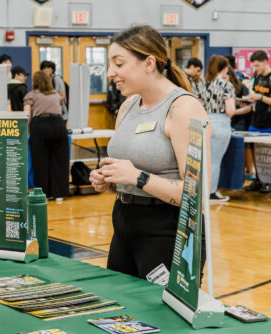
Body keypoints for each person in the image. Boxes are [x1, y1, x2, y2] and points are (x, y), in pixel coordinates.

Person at [89, 25, 208, 281]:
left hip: (167, 229)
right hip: (124, 222)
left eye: (118, 64)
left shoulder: (183, 108)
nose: (111, 72)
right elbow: (128, 171)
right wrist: (107, 178)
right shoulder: (129, 104)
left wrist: (138, 177)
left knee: (162, 318)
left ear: (149, 63)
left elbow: (195, 193)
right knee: (121, 313)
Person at [200, 55, 250, 203]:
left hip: (205, 121)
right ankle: (211, 193)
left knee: (206, 160)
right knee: (215, 161)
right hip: (220, 123)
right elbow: (230, 111)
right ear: (224, 68)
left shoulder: (202, 84)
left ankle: (203, 191)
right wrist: (245, 109)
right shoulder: (226, 85)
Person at [24, 71, 69, 200]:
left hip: (40, 126)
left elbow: (27, 115)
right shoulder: (56, 95)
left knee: (40, 161)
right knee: (59, 161)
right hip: (58, 125)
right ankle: (59, 194)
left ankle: (44, 194)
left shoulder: (31, 95)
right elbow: (60, 110)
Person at [244, 50, 271, 193]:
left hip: (268, 122)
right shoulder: (257, 75)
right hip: (255, 120)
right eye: (253, 66)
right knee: (254, 149)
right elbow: (256, 95)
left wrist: (260, 97)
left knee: (267, 152)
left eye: (257, 65)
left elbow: (264, 98)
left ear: (266, 62)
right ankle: (259, 179)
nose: (255, 68)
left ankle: (268, 180)